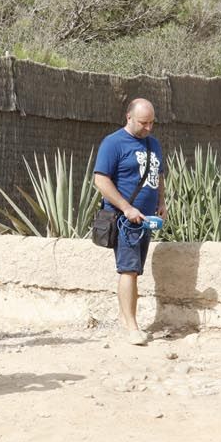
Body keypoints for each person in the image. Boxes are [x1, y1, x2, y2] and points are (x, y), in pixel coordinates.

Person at [92, 98, 166, 345]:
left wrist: (162, 201)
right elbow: (101, 180)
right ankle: (132, 327)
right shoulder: (113, 143)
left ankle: (126, 319)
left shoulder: (153, 143)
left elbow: (159, 174)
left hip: (146, 219)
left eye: (151, 123)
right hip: (125, 220)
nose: (148, 128)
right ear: (129, 118)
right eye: (143, 123)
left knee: (134, 270)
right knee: (129, 270)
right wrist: (126, 208)